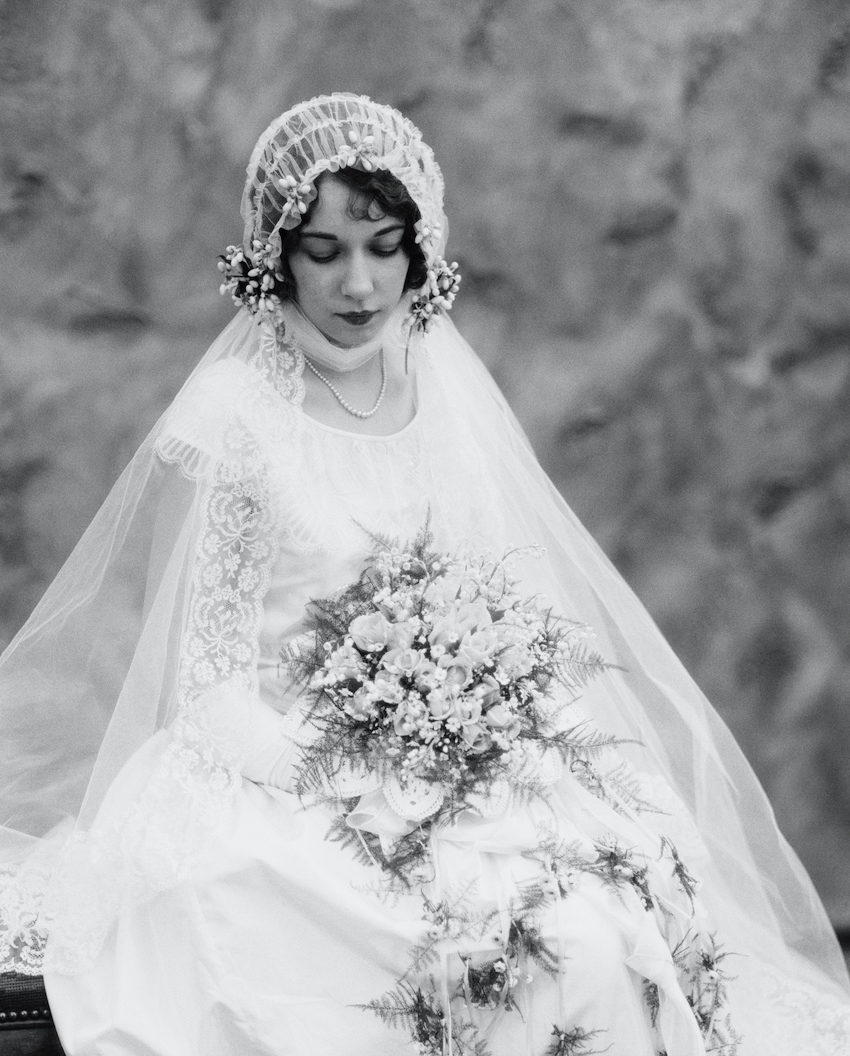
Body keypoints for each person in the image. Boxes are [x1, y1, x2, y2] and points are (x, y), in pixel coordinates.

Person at [0, 93, 848, 1056]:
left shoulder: (439, 390)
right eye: (323, 252)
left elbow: (493, 605)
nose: (359, 285)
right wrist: (359, 780)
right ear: (274, 257)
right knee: (427, 941)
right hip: (282, 775)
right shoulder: (240, 417)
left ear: (420, 249)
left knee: (601, 917)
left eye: (385, 247)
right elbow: (209, 692)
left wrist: (476, 727)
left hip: (448, 748)